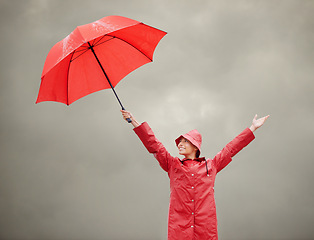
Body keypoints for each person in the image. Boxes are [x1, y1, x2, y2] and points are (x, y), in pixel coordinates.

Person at [121, 110, 269, 240]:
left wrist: (252, 128)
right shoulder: (173, 165)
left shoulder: (211, 166)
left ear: (195, 145)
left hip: (205, 229)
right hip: (179, 229)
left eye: (185, 141)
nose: (180, 144)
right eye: (180, 142)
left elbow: (231, 148)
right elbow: (153, 144)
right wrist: (133, 121)